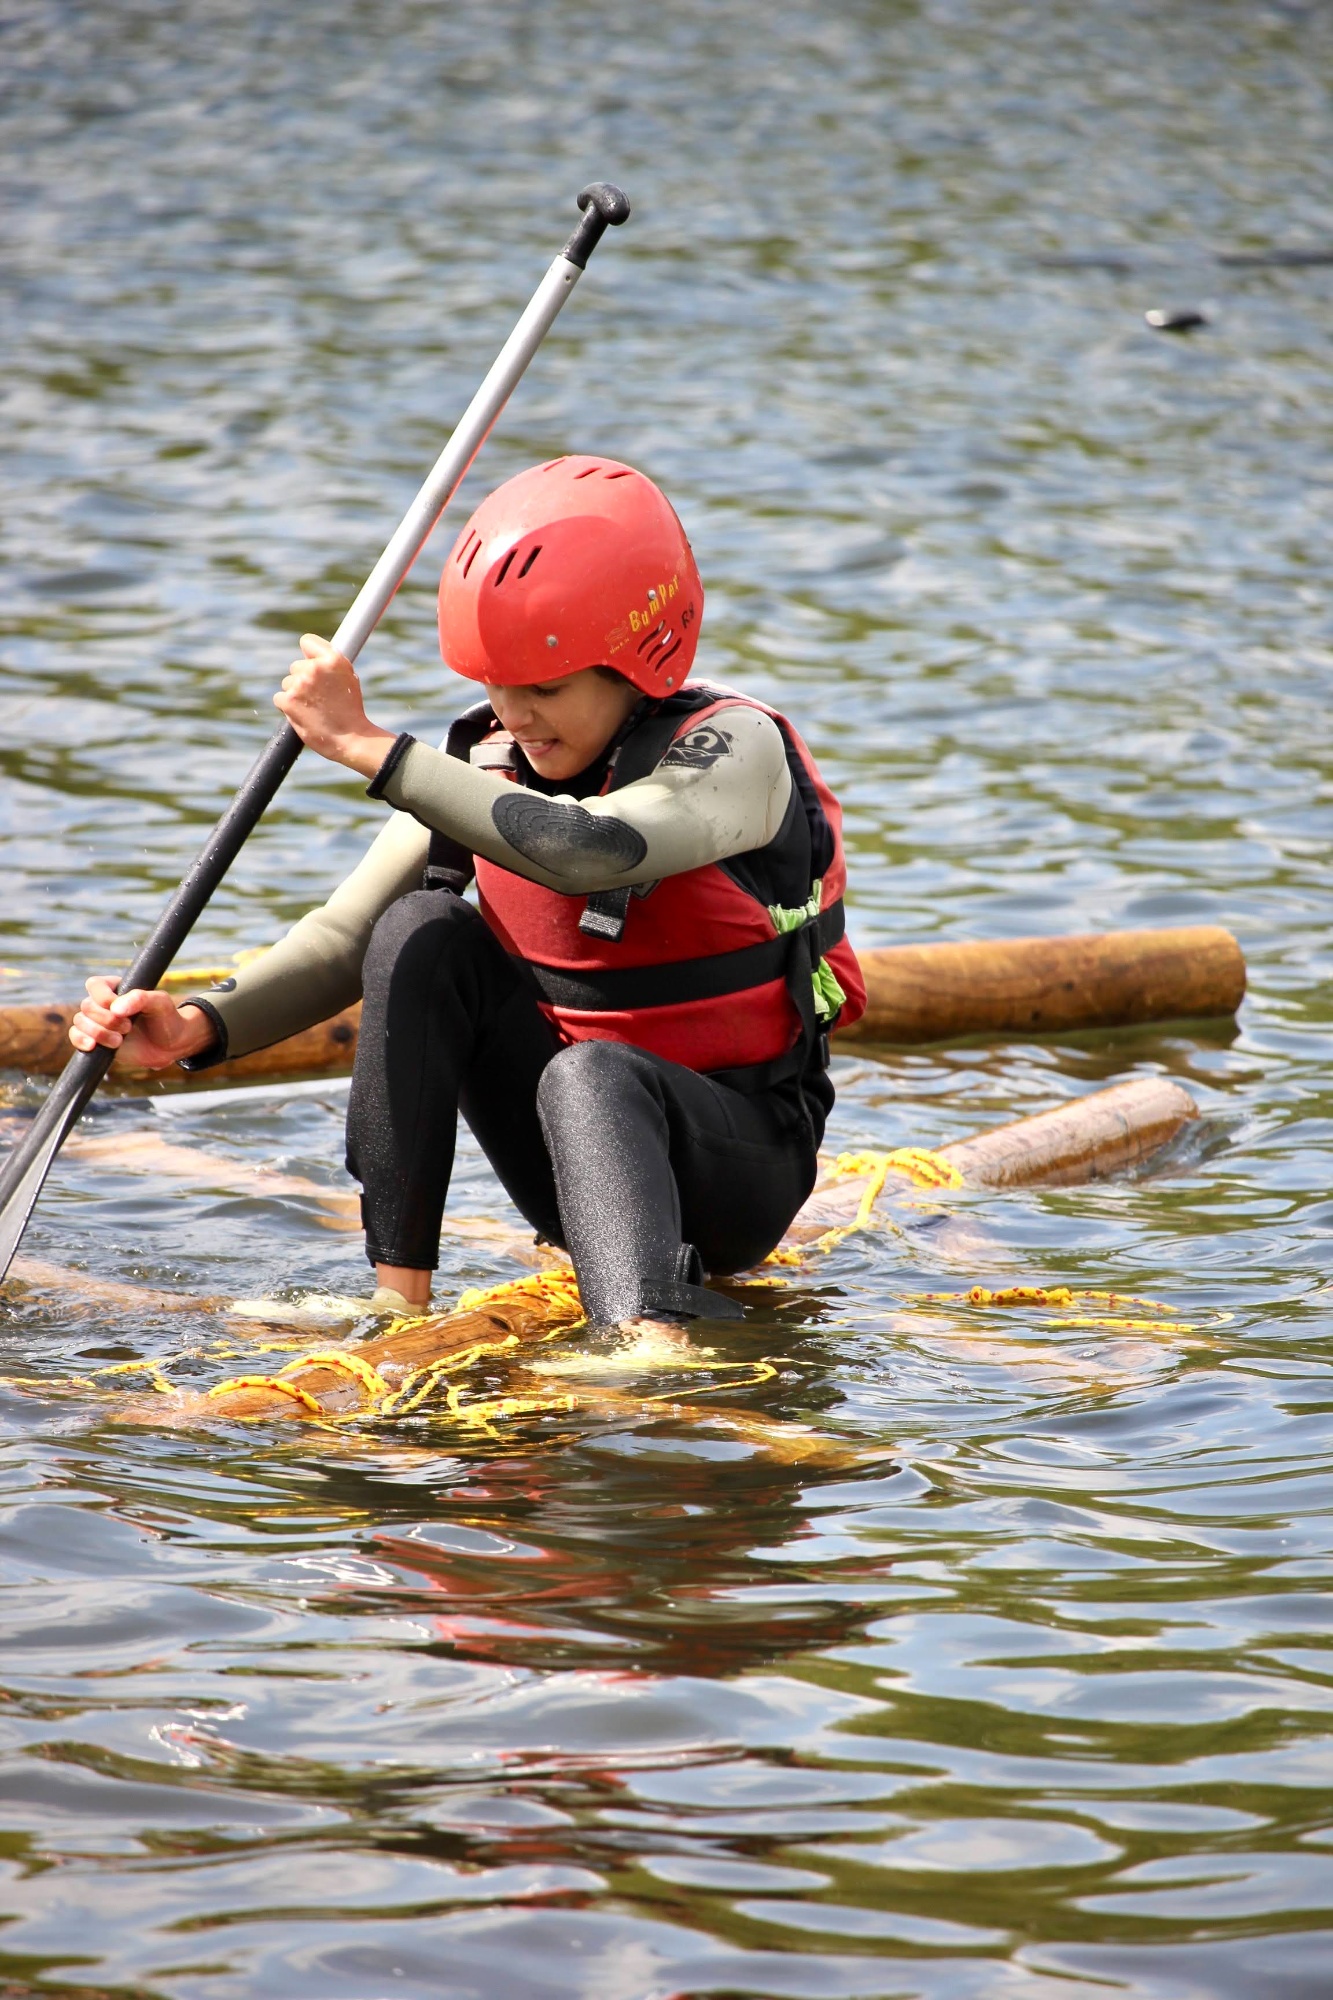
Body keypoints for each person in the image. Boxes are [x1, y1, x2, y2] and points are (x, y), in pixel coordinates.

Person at [70, 457, 866, 1329]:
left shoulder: (731, 749)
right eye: (496, 686)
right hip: (571, 1171)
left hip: (734, 1169)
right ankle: (396, 1303)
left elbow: (591, 850)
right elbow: (348, 937)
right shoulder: (488, 762)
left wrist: (368, 747)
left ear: (637, 662)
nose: (515, 715)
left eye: (546, 688)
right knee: (422, 928)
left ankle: (644, 1343)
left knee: (590, 1074)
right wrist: (197, 1024)